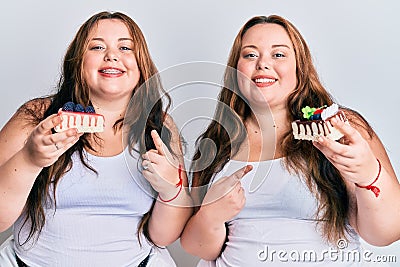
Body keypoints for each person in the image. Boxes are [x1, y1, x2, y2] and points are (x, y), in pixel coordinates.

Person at [180, 15, 400, 266]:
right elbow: (200, 248)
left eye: (279, 55)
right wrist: (211, 215)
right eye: (250, 55)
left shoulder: (340, 128)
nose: (263, 64)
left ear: (300, 68)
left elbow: (386, 234)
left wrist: (368, 174)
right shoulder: (216, 141)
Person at [0, 11, 192, 267]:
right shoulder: (36, 116)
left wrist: (171, 189)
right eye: (97, 46)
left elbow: (163, 237)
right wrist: (29, 160)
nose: (112, 55)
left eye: (125, 47)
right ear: (78, 61)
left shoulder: (159, 126)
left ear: (141, 63)